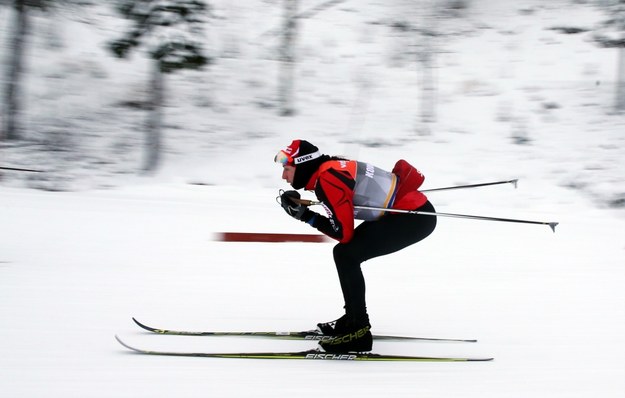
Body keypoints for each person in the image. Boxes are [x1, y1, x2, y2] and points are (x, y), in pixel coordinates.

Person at [274, 139, 437, 353]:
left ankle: (358, 330)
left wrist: (306, 217)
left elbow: (344, 234)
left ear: (303, 164)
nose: (283, 176)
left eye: (287, 169)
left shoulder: (327, 179)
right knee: (345, 254)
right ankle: (353, 320)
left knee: (346, 255)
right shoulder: (329, 168)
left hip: (413, 217)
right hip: (408, 211)